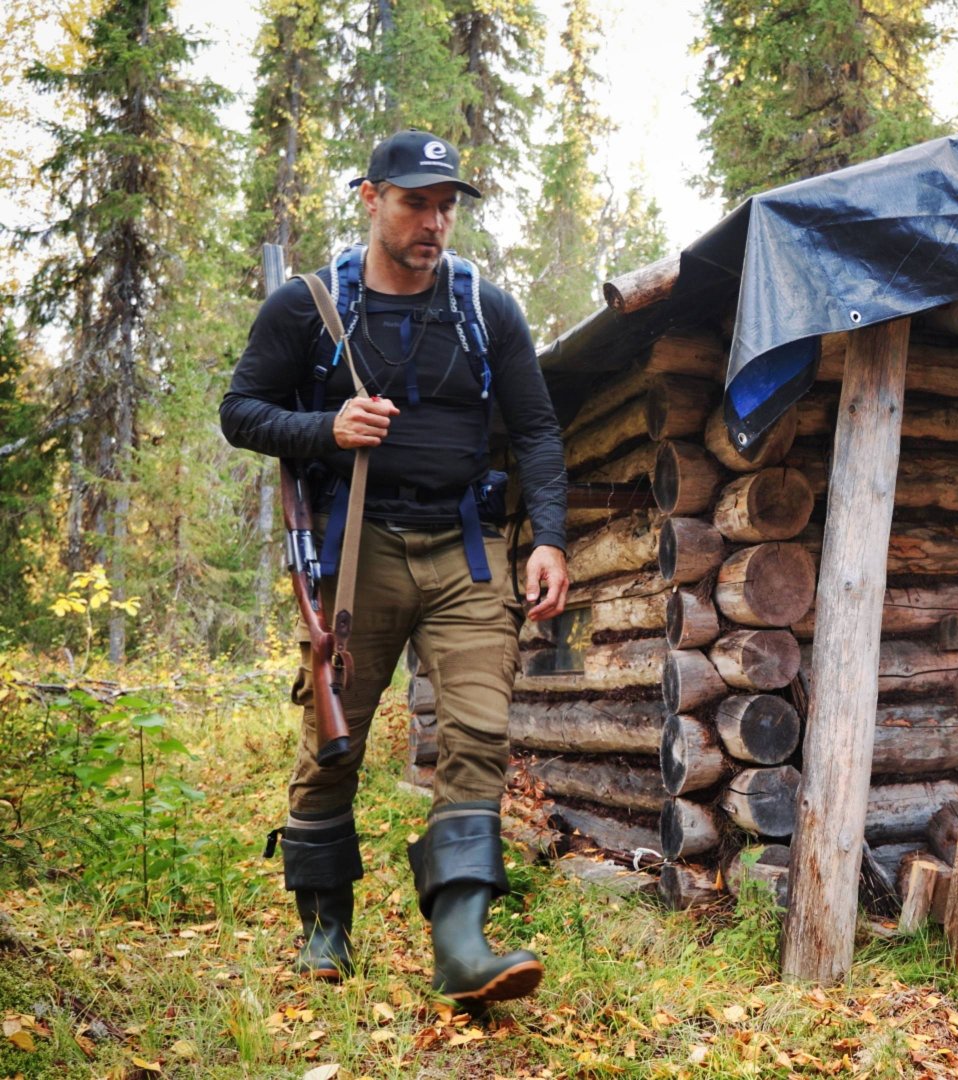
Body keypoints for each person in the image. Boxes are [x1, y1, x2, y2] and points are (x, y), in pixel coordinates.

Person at [221, 130, 570, 1004]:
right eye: (416, 201)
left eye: (447, 204)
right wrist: (324, 429)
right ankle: (326, 927)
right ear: (371, 198)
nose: (434, 220)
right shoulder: (306, 307)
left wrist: (552, 539)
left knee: (480, 734)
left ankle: (461, 940)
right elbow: (241, 411)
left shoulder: (487, 309)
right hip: (354, 547)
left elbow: (535, 430)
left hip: (466, 548)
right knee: (334, 742)